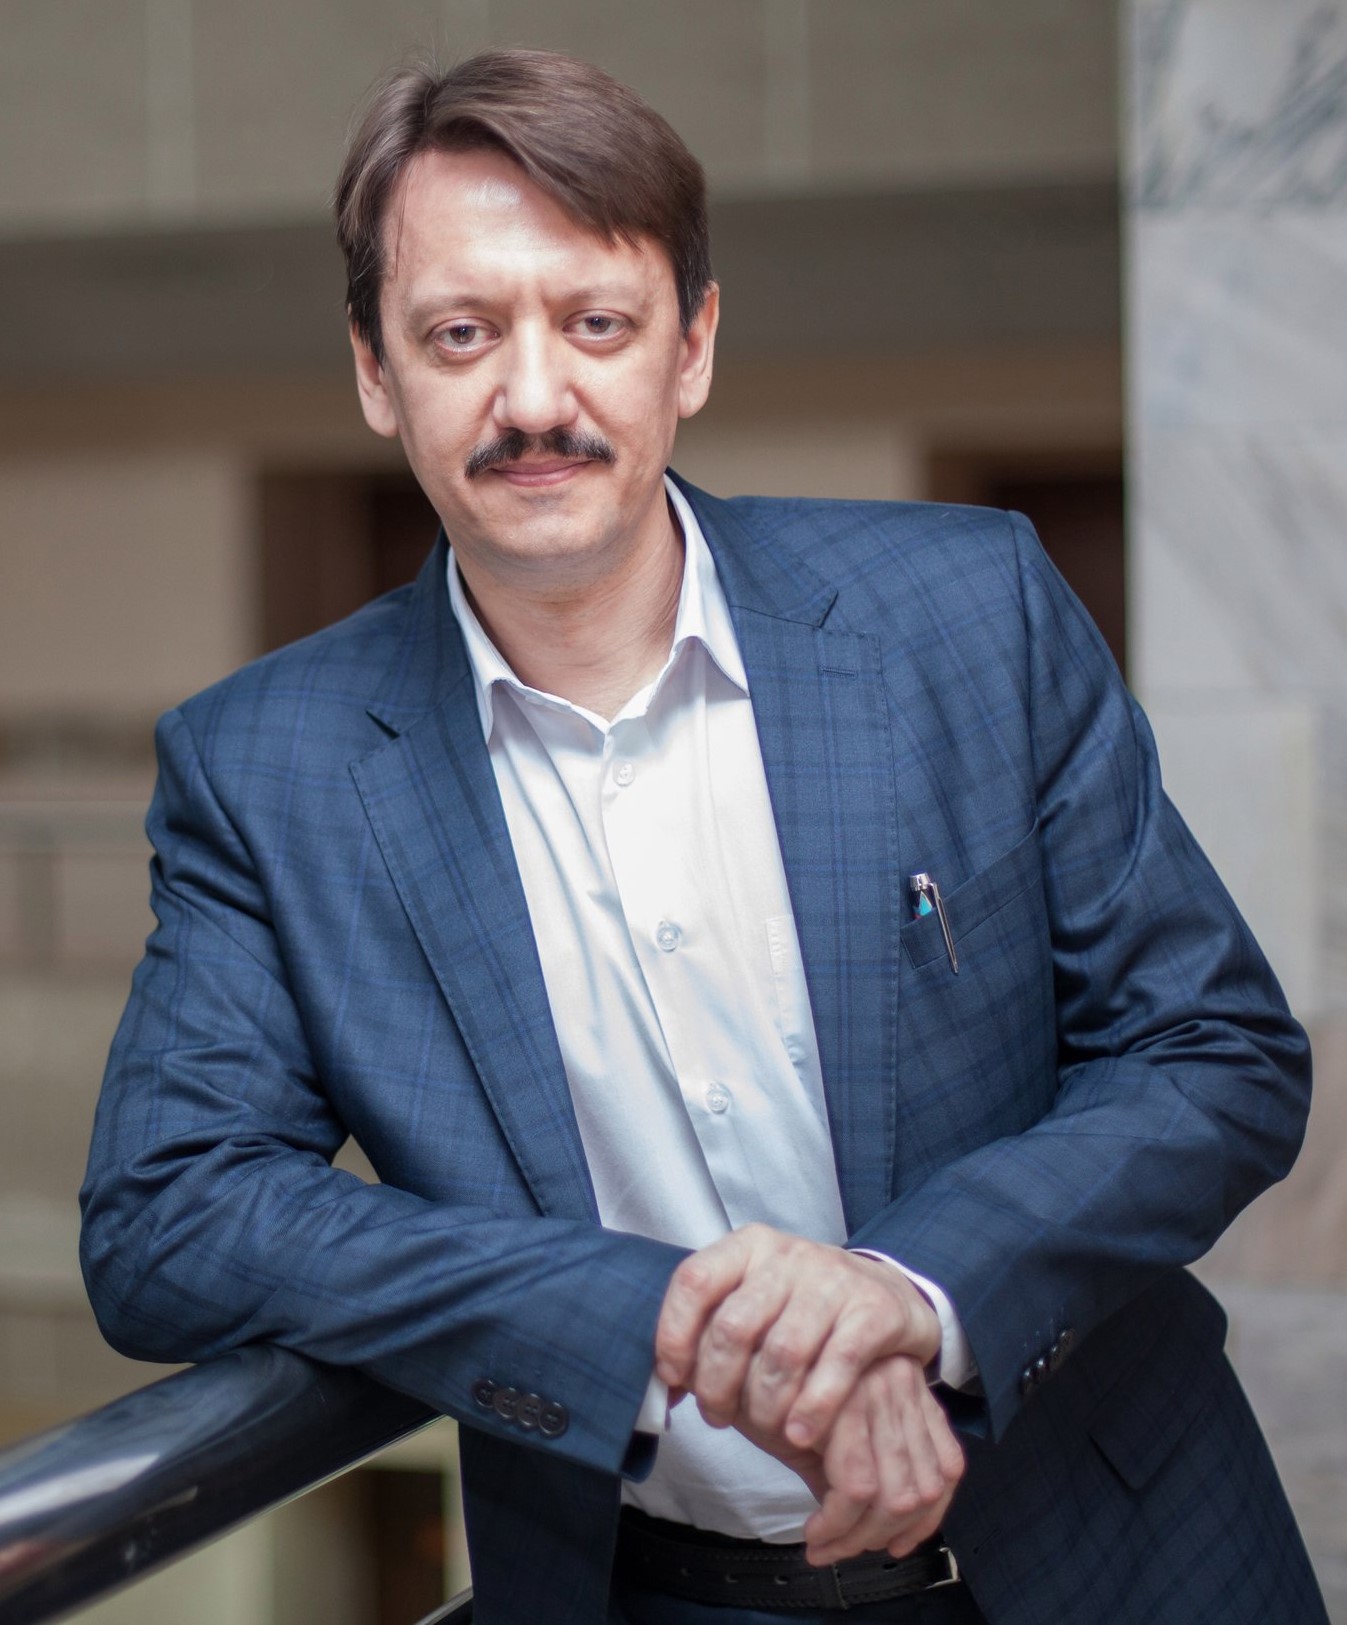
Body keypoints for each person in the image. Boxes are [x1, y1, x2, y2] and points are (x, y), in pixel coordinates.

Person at [80, 48, 1327, 1625]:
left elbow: (1215, 1051)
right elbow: (167, 1213)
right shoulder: (270, 769)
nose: (536, 398)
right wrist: (648, 1314)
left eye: (597, 324)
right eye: (461, 334)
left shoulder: (969, 611)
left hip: (1125, 1560)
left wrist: (906, 1292)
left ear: (695, 345)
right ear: (376, 373)